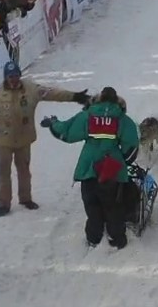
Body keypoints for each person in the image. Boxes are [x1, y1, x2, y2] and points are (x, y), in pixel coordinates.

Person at [0, 63, 87, 216]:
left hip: (24, 139)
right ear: (5, 77)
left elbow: (52, 93)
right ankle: (4, 203)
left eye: (16, 76)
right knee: (3, 172)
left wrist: (75, 96)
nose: (13, 79)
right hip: (4, 141)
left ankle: (26, 198)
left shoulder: (31, 89)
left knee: (24, 170)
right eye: (10, 77)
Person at [42, 87, 142, 249]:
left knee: (91, 203)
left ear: (100, 99)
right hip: (111, 168)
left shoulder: (87, 115)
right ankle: (117, 238)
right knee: (114, 205)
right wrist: (121, 161)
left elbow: (68, 133)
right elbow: (131, 145)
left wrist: (53, 123)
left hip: (88, 167)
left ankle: (94, 237)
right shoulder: (123, 119)